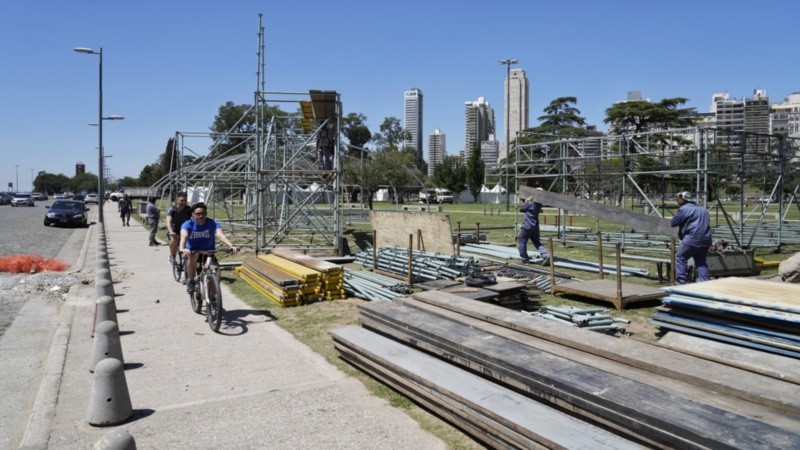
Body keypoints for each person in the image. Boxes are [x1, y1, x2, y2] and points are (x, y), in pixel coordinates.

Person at [179, 202, 238, 294]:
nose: (201, 216)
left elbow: (220, 235)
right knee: (192, 258)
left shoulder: (212, 223)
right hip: (193, 251)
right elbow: (184, 236)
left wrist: (231, 245)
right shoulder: (188, 224)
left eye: (203, 213)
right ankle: (191, 281)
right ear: (193, 215)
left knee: (216, 273)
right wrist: (182, 248)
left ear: (206, 213)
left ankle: (214, 299)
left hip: (209, 252)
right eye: (198, 214)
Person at [670, 191, 713, 284]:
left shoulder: (684, 209)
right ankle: (705, 282)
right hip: (706, 239)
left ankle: (682, 282)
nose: (677, 200)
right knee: (700, 261)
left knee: (680, 257)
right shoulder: (703, 210)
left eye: (678, 198)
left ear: (683, 199)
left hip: (692, 238)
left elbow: (673, 223)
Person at [518, 189, 550, 265]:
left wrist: (527, 202)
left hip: (527, 226)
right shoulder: (539, 204)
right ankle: (545, 255)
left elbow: (521, 209)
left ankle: (524, 259)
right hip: (535, 226)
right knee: (537, 242)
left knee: (522, 242)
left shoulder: (530, 204)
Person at [165, 193, 193, 265]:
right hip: (174, 229)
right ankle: (172, 255)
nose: (184, 202)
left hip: (185, 229)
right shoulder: (172, 209)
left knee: (189, 240)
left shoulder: (189, 209)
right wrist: (171, 231)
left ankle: (185, 255)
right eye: (182, 200)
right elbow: (168, 221)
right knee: (174, 240)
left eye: (185, 201)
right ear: (177, 200)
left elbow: (194, 219)